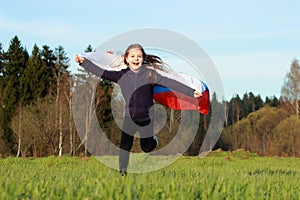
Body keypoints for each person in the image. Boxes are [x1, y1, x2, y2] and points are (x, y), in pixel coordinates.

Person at [75, 44, 202, 176]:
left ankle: (153, 140)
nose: (136, 59)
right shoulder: (121, 75)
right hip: (129, 117)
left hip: (147, 118)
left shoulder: (150, 75)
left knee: (146, 147)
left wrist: (191, 92)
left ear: (143, 58)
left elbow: (170, 82)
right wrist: (84, 63)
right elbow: (102, 72)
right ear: (127, 59)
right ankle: (122, 174)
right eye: (133, 56)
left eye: (139, 56)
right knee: (125, 146)